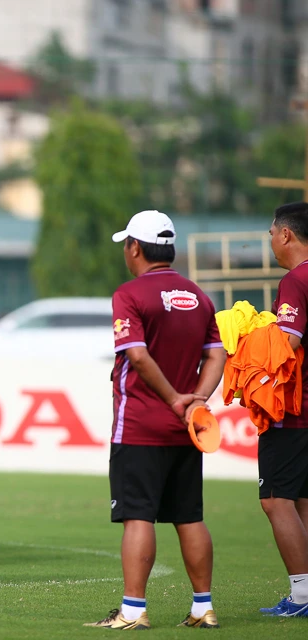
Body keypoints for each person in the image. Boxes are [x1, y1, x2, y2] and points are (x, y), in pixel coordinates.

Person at [85, 210, 225, 629]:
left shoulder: (130, 294)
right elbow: (216, 353)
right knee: (189, 516)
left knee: (139, 516)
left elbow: (138, 355)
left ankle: (133, 611)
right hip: (188, 428)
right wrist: (196, 400)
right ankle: (203, 608)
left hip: (142, 424)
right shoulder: (198, 295)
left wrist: (174, 400)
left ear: (134, 248)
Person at [260, 201, 308, 618]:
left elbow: (286, 344)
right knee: (302, 501)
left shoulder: (295, 281)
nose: (271, 241)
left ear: (286, 235)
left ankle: (302, 597)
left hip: (294, 410)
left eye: (272, 233)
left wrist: (253, 340)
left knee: (276, 501)